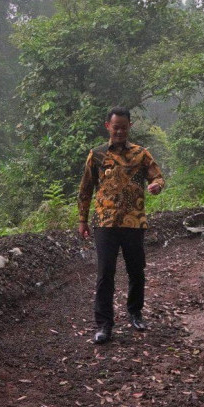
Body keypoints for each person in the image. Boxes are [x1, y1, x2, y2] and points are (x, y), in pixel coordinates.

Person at [77, 107, 165, 345]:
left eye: (124, 127)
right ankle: (104, 324)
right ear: (108, 126)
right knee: (105, 273)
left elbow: (157, 176)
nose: (120, 131)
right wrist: (82, 220)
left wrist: (156, 185)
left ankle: (135, 313)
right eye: (116, 127)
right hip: (105, 223)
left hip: (134, 222)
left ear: (130, 127)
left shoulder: (141, 154)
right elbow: (85, 189)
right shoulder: (97, 155)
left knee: (136, 270)